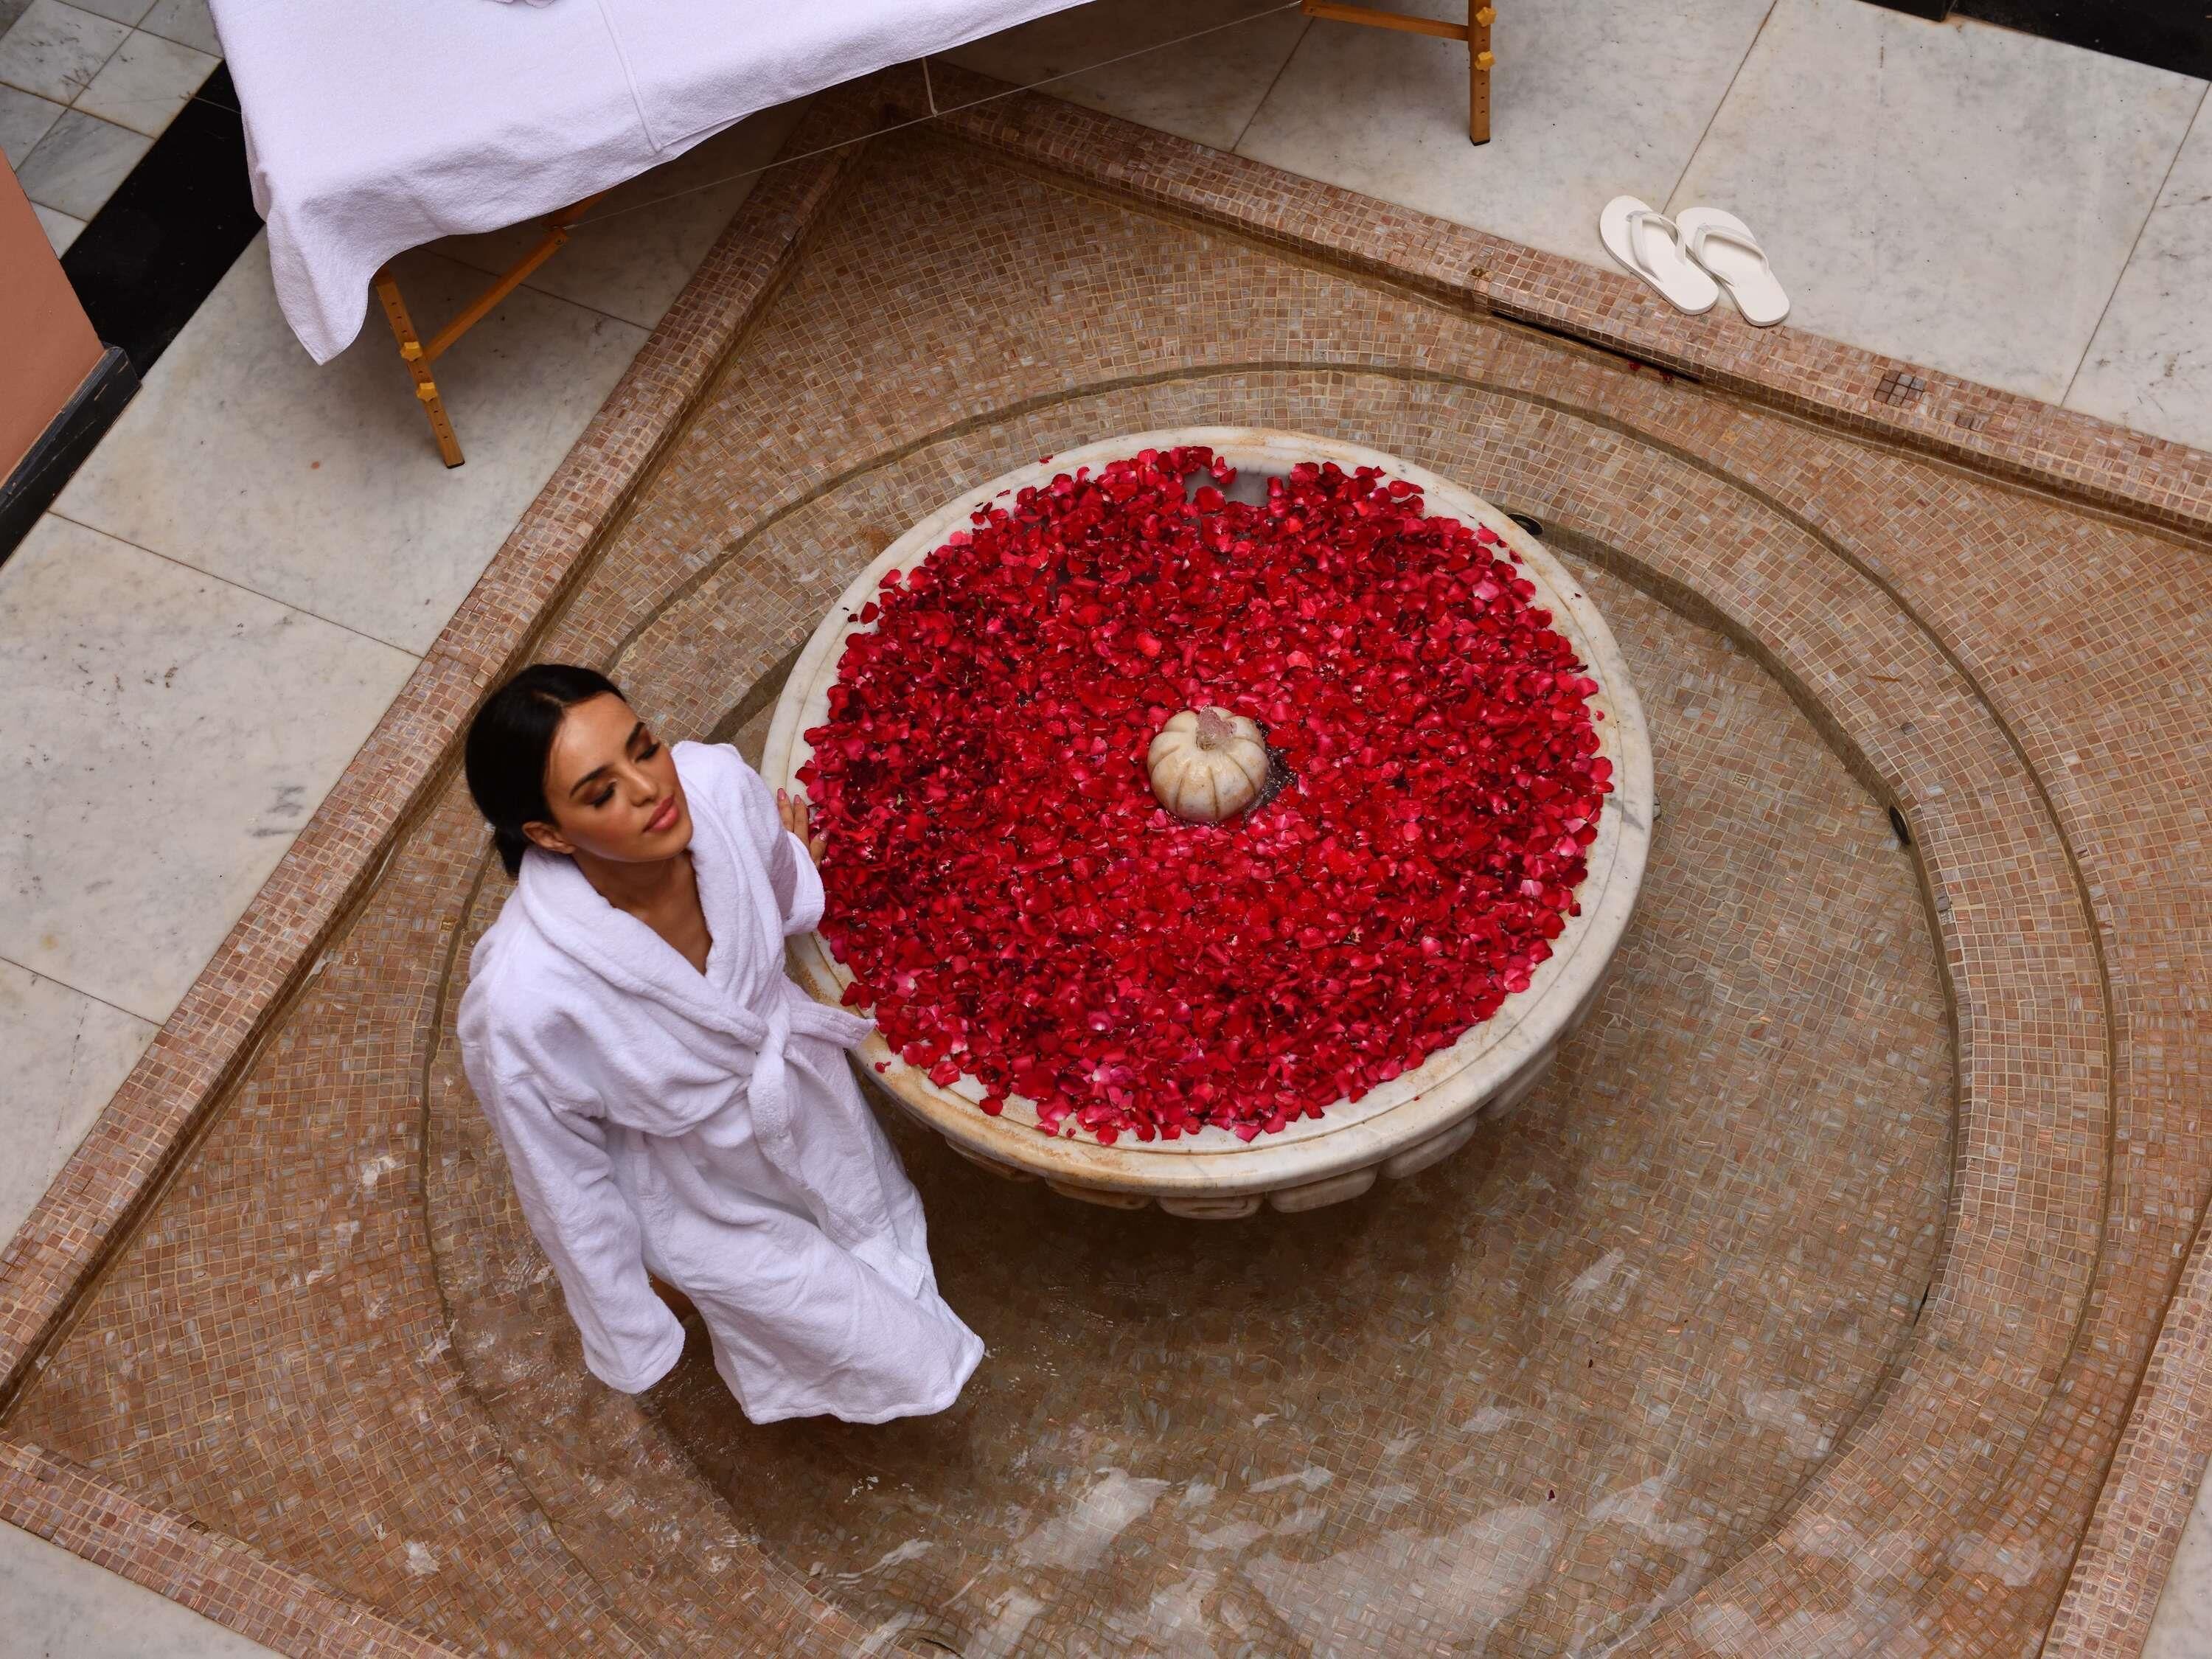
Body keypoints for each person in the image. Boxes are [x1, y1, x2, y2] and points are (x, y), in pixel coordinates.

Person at [455, 663, 981, 1423]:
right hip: (698, 1188)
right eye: (601, 792)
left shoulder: (718, 789)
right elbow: (561, 1177)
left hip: (805, 1098)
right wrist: (627, 1321)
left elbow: (767, 879)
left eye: (645, 747)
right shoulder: (525, 997)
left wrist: (792, 866)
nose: (649, 789)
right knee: (878, 1343)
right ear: (547, 834)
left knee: (878, 1243)